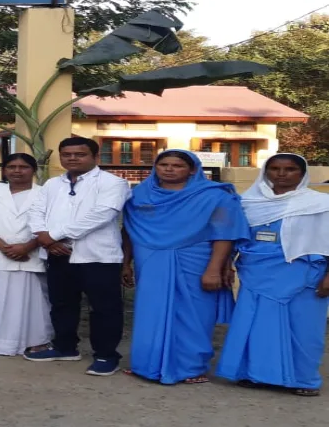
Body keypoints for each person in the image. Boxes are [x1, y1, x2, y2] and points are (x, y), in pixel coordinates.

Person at [120, 149, 248, 384]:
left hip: (196, 260)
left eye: (177, 165)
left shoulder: (215, 196)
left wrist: (214, 269)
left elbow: (225, 235)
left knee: (194, 315)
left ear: (192, 170)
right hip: (149, 260)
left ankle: (192, 367)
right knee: (150, 312)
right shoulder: (139, 195)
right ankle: (146, 364)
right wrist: (125, 263)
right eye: (163, 164)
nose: (169, 169)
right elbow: (129, 232)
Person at [217, 153, 329, 397]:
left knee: (303, 328)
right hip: (256, 272)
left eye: (289, 169)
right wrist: (226, 264)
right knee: (255, 324)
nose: (281, 174)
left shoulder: (320, 204)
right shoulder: (248, 202)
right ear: (265, 172)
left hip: (303, 275)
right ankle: (255, 374)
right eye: (275, 169)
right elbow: (234, 236)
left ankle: (303, 379)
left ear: (302, 174)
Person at [25, 137, 131, 377]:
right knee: (62, 304)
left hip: (98, 257)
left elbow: (101, 215)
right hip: (58, 255)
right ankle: (64, 347)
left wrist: (52, 236)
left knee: (104, 308)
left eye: (80, 154)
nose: (72, 158)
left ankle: (106, 355)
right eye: (67, 154)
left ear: (95, 157)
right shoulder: (52, 184)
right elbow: (36, 212)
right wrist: (44, 237)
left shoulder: (113, 183)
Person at [0, 153, 53, 356]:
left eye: (23, 167)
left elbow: (51, 224)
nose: (17, 171)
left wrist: (27, 247)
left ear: (33, 170)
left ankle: (36, 340)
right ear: (4, 170)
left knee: (34, 301)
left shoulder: (45, 194)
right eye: (12, 167)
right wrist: (4, 247)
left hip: (31, 255)